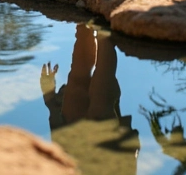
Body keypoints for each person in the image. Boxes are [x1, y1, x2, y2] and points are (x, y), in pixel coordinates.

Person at [40, 24, 139, 174]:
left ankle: (85, 23)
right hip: (109, 153)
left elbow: (58, 140)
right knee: (99, 112)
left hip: (75, 143)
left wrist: (49, 96)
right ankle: (101, 27)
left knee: (77, 85)